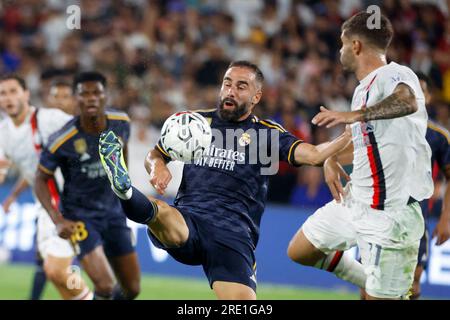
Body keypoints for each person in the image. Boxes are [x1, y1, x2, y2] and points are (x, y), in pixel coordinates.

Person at [98, 60, 351, 300]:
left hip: (233, 234)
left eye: (241, 87)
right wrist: (157, 166)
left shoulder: (266, 134)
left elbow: (314, 154)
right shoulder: (196, 122)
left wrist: (345, 137)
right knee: (160, 211)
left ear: (256, 97)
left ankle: (126, 193)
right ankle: (125, 190)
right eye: (227, 83)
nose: (231, 91)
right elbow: (156, 153)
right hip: (190, 219)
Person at [286, 12, 433, 300]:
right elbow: (366, 142)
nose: (339, 51)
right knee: (300, 250)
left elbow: (406, 100)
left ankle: (384, 290)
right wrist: (331, 158)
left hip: (391, 216)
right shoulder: (362, 89)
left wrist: (354, 115)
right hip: (356, 203)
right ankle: (374, 282)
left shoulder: (395, 73)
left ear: (355, 46)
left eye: (342, 44)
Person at [35, 71, 141, 300]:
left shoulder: (121, 122)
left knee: (131, 289)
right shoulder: (61, 140)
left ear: (105, 96)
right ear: (76, 98)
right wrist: (57, 219)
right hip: (80, 217)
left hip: (113, 212)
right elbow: (40, 179)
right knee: (104, 286)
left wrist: (124, 183)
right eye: (84, 94)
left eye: (97, 93)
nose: (91, 98)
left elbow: (123, 147)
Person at [0, 74, 93, 300]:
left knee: (57, 269)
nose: (8, 98)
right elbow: (15, 169)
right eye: (3, 93)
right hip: (45, 207)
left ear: (26, 94)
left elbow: (88, 136)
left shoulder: (50, 119)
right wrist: (12, 195)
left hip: (72, 204)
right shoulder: (3, 132)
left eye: (13, 91)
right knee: (54, 272)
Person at [410, 73, 450, 299]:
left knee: (413, 285)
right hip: (378, 219)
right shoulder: (381, 128)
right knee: (368, 286)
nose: (415, 96)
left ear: (428, 97)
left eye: (420, 91)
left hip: (417, 222)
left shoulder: (438, 136)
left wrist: (445, 218)